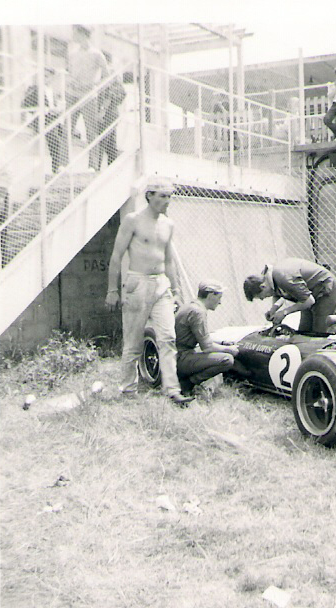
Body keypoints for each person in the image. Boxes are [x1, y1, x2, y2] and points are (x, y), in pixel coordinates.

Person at [105, 177, 194, 406]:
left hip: (161, 284)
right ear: (149, 196)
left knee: (168, 338)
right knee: (133, 342)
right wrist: (112, 290)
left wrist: (176, 290)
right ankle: (128, 391)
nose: (167, 201)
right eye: (163, 196)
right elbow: (116, 256)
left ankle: (172, 390)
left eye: (170, 196)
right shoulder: (132, 220)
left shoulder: (168, 224)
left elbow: (169, 261)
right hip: (138, 284)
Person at [175, 280, 239, 396]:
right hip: (180, 358)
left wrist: (224, 344)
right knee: (227, 359)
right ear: (211, 295)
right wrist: (230, 349)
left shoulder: (191, 306)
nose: (220, 302)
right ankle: (187, 383)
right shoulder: (198, 312)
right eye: (219, 297)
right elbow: (207, 347)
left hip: (175, 355)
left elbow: (203, 339)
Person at [243, 258, 336, 333]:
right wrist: (274, 310)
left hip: (324, 289)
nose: (263, 299)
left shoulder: (283, 277)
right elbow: (277, 294)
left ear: (263, 286)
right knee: (304, 331)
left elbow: (309, 301)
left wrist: (284, 312)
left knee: (319, 331)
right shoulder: (269, 278)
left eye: (261, 297)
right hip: (307, 294)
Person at [66, 24, 109, 172]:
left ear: (82, 34)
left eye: (75, 33)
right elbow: (69, 72)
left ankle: (93, 165)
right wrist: (70, 82)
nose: (72, 36)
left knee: (91, 131)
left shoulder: (97, 54)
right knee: (67, 129)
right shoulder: (72, 54)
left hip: (88, 95)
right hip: (72, 93)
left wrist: (95, 85)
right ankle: (63, 164)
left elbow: (106, 76)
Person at [21, 68, 68, 174]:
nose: (45, 79)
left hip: (53, 118)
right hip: (41, 119)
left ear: (52, 78)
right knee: (55, 140)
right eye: (43, 76)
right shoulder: (35, 89)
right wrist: (42, 109)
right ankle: (57, 167)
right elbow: (25, 103)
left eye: (48, 77)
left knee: (61, 138)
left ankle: (59, 166)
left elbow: (55, 105)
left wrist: (58, 109)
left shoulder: (52, 90)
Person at [97, 74, 126, 169]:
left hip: (107, 113)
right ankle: (113, 165)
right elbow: (122, 96)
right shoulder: (117, 83)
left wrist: (102, 112)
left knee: (102, 140)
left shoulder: (108, 80)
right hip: (113, 113)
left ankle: (97, 166)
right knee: (111, 141)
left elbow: (107, 99)